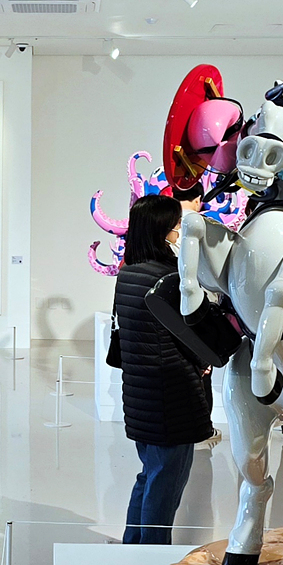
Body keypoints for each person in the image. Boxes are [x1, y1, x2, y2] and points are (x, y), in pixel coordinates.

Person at [108, 193, 216, 544]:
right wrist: (203, 361)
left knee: (150, 474)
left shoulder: (128, 274)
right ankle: (152, 555)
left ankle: (134, 545)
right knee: (166, 483)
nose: (179, 229)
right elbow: (190, 334)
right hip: (172, 394)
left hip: (141, 394)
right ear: (161, 229)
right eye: (175, 223)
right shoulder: (168, 278)